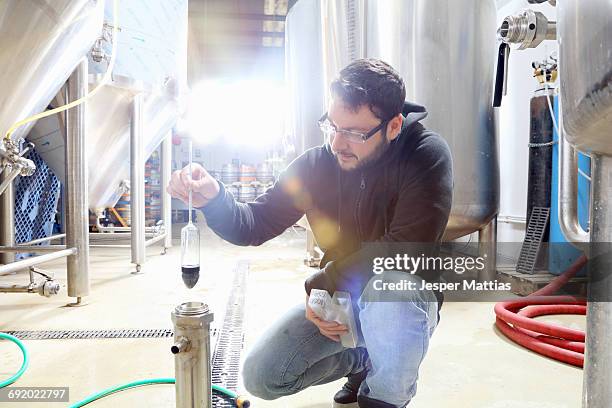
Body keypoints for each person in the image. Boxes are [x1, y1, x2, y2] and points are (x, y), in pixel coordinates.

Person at [167, 58, 453, 408]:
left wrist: (326, 278)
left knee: (388, 290)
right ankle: (363, 361)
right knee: (263, 376)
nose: (337, 143)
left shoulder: (425, 154)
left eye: (354, 132)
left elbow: (405, 250)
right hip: (343, 297)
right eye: (332, 126)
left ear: (393, 126)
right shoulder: (317, 165)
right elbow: (254, 223)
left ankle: (384, 397)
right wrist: (214, 198)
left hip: (401, 298)